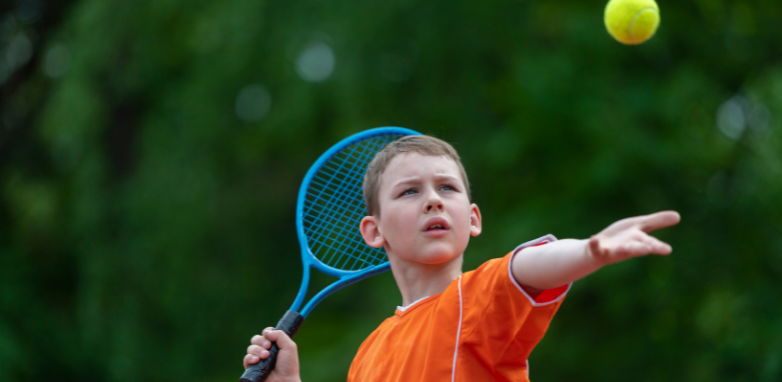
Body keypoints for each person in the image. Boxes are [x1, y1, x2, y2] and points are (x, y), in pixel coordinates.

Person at [243, 135, 680, 382]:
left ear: (472, 219)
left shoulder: (477, 299)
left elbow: (531, 265)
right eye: (410, 191)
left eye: (446, 188)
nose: (433, 200)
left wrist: (588, 251)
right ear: (373, 232)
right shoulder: (368, 354)